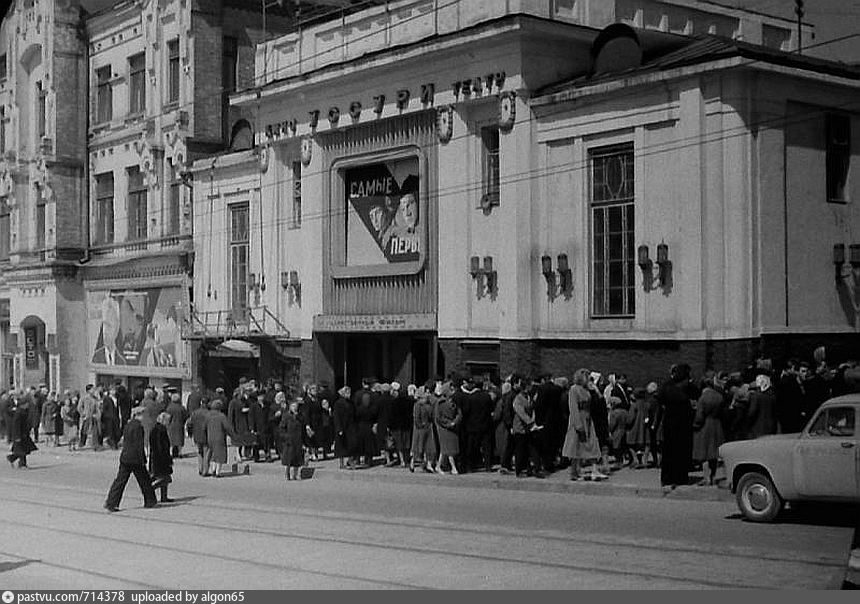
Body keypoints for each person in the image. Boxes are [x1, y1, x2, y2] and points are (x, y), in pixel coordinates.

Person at [104, 406, 157, 512]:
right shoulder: (138, 426)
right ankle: (150, 500)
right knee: (144, 480)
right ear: (139, 415)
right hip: (135, 458)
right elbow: (138, 444)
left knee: (120, 481)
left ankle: (111, 502)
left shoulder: (128, 425)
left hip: (125, 456)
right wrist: (143, 458)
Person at [658, 363, 696, 489]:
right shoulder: (686, 387)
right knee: (682, 451)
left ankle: (668, 478)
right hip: (683, 422)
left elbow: (661, 400)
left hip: (670, 422)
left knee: (669, 451)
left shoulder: (667, 386)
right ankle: (680, 477)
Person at [562, 369, 603, 481]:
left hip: (588, 419)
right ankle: (574, 472)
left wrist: (596, 390)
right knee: (575, 446)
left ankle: (594, 469)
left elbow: (598, 403)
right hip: (578, 419)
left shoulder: (587, 389)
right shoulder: (574, 389)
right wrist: (578, 424)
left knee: (592, 443)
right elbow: (573, 407)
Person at [692, 372, 727, 486]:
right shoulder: (719, 396)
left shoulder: (703, 398)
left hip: (705, 426)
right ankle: (713, 476)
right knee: (714, 454)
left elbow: (699, 416)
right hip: (717, 425)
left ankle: (706, 477)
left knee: (704, 454)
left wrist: (695, 425)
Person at [511, 376, 545, 479]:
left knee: (533, 448)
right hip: (520, 428)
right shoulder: (518, 399)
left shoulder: (529, 397)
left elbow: (532, 409)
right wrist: (530, 422)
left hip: (529, 428)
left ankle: (536, 468)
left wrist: (534, 421)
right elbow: (521, 413)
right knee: (520, 450)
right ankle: (520, 470)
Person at [434, 382, 461, 475]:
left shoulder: (455, 401)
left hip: (453, 427)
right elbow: (438, 417)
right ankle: (453, 467)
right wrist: (448, 423)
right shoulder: (440, 402)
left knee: (445, 449)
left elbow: (459, 413)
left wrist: (455, 422)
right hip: (444, 428)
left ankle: (439, 465)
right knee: (448, 448)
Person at [205, 400, 235, 477]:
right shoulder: (221, 416)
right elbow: (227, 427)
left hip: (210, 437)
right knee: (220, 455)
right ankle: (218, 472)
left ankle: (213, 470)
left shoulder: (208, 415)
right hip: (219, 437)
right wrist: (232, 435)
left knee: (213, 454)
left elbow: (204, 427)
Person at [410, 385, 436, 473]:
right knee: (418, 446)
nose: (428, 394)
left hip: (428, 427)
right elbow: (416, 417)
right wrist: (420, 425)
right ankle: (413, 462)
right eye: (426, 392)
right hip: (420, 429)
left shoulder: (429, 404)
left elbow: (432, 415)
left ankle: (428, 464)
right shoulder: (417, 405)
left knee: (429, 447)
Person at [150, 412, 174, 502]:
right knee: (164, 478)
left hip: (156, 456)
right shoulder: (161, 430)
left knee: (164, 477)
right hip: (161, 458)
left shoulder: (155, 429)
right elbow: (161, 446)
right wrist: (166, 458)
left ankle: (164, 496)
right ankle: (150, 490)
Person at [7, 395, 36, 469]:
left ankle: (12, 458)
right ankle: (22, 464)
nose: (28, 405)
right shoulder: (19, 413)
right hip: (19, 434)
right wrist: (17, 437)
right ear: (24, 404)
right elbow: (16, 425)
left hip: (24, 434)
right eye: (27, 404)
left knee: (25, 449)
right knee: (22, 450)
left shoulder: (24, 411)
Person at [280, 399, 304, 481]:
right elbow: (282, 428)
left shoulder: (299, 415)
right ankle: (287, 473)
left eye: (296, 406)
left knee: (297, 458)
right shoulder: (286, 416)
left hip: (298, 439)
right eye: (293, 406)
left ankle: (296, 474)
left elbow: (302, 425)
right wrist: (285, 437)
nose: (295, 408)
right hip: (289, 439)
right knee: (289, 458)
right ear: (290, 407)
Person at [332, 386, 354, 469]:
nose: (349, 394)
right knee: (341, 445)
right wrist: (339, 428)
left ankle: (350, 460)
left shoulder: (350, 402)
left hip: (350, 427)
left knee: (351, 444)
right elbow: (336, 417)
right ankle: (341, 463)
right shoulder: (338, 403)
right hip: (342, 427)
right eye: (347, 392)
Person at [187, 400, 211, 476]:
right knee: (206, 453)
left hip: (197, 435)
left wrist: (190, 433)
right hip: (206, 435)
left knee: (200, 452)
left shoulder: (195, 413)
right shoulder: (208, 413)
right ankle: (205, 470)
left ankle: (200, 468)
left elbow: (189, 423)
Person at [165, 393, 187, 458]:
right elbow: (186, 416)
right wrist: (183, 421)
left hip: (171, 426)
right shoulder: (181, 408)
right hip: (179, 425)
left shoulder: (169, 408)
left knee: (171, 440)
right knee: (179, 440)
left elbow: (167, 417)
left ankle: (171, 453)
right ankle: (180, 453)